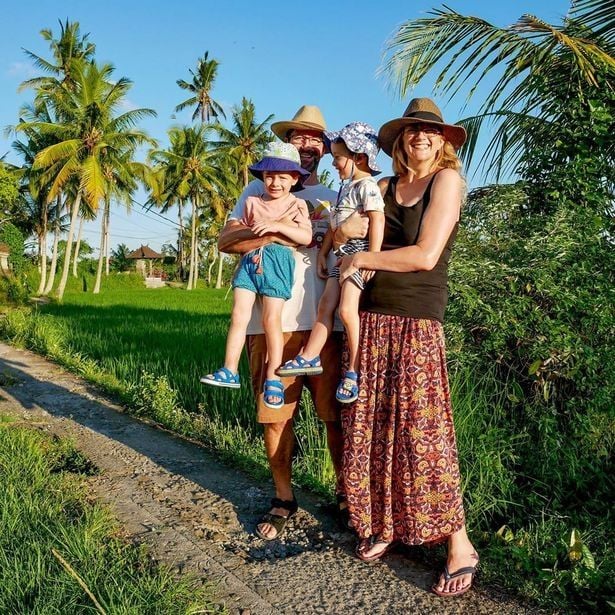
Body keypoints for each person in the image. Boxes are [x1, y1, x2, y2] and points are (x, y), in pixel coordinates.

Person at [337, 98, 479, 597]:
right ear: (399, 141)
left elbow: (424, 255)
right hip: (370, 318)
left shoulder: (448, 182)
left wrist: (360, 255)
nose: (421, 136)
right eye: (412, 130)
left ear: (442, 141)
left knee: (424, 432)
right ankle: (383, 523)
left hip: (417, 319)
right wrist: (348, 243)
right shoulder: (380, 187)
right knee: (371, 427)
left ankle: (459, 543)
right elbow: (346, 231)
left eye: (430, 130)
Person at [217, 106, 362, 539]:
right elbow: (226, 239)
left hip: (325, 326)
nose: (306, 145)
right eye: (297, 137)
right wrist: (279, 231)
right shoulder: (255, 190)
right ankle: (283, 497)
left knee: (334, 416)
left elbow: (358, 235)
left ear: (323, 146)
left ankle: (345, 495)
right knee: (276, 415)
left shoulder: (337, 193)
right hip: (269, 325)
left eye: (314, 139)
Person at [277, 122, 385, 406]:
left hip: (357, 256)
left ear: (358, 158)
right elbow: (336, 223)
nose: (334, 162)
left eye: (338, 156)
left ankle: (354, 370)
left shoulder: (368, 187)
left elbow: (377, 220)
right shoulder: (346, 188)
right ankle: (309, 355)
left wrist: (372, 256)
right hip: (341, 256)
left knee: (347, 309)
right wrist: (325, 253)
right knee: (326, 306)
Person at [200, 143, 312, 409]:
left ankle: (273, 376)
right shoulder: (251, 201)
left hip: (277, 261)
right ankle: (229, 369)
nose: (275, 182)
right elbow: (235, 234)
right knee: (240, 314)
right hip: (250, 261)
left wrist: (275, 226)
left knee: (271, 319)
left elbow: (305, 237)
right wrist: (258, 234)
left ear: (294, 178)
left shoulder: (297, 205)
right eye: (270, 176)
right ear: (262, 177)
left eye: (283, 177)